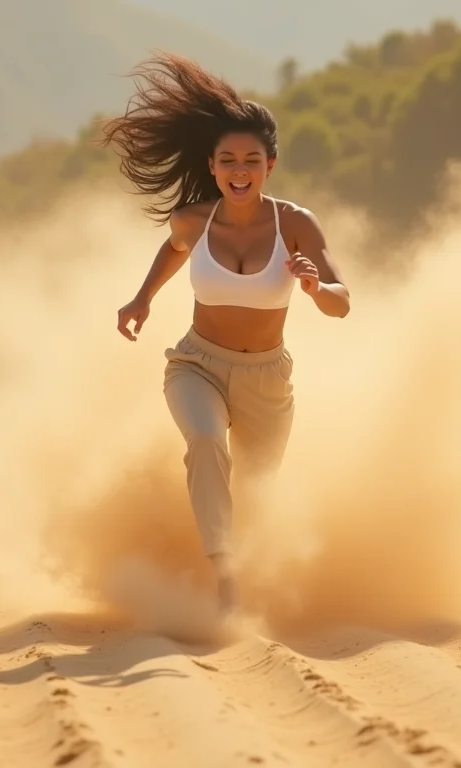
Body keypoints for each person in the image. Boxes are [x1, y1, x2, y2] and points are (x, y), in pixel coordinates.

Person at [102, 52, 350, 615]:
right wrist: (141, 298)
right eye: (228, 160)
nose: (240, 170)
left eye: (252, 160)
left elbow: (343, 303)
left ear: (271, 165)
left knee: (259, 496)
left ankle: (259, 577)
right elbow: (174, 249)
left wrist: (314, 290)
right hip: (196, 365)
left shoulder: (297, 224)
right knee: (208, 443)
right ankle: (223, 575)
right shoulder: (193, 219)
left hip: (267, 379)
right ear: (212, 167)